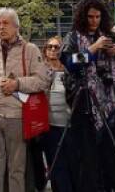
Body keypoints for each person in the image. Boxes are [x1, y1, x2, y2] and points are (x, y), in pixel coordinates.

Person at [60, 0, 115, 192]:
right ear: (83, 17)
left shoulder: (111, 36)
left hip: (113, 104)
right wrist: (93, 48)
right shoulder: (73, 37)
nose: (94, 21)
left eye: (98, 17)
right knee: (89, 163)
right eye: (90, 17)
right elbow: (70, 63)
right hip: (85, 105)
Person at [0, 8, 50, 192]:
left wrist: (17, 84)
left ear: (17, 26)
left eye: (6, 23)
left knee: (16, 170)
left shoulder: (30, 49)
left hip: (18, 117)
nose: (1, 27)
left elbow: (43, 80)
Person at [40, 36, 72, 192]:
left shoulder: (68, 68)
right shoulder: (40, 69)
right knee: (55, 164)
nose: (53, 50)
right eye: (50, 47)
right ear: (45, 50)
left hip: (69, 123)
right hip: (49, 124)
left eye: (57, 47)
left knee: (70, 162)